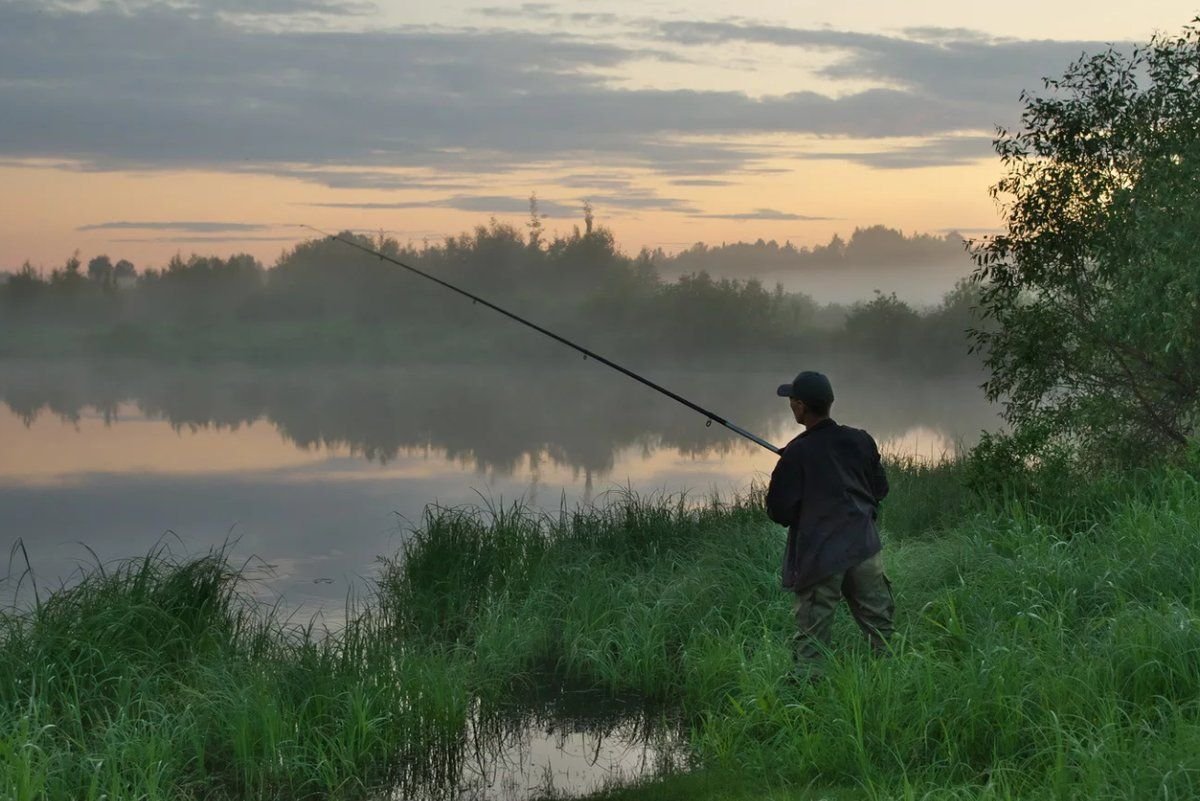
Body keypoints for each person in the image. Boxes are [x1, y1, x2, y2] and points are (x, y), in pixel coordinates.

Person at [765, 370, 893, 679]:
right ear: (829, 402)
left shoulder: (796, 453)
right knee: (881, 630)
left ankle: (808, 706)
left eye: (792, 401)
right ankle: (887, 684)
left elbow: (779, 511)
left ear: (799, 407)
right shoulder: (861, 440)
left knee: (811, 640)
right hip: (864, 548)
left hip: (821, 557)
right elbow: (881, 490)